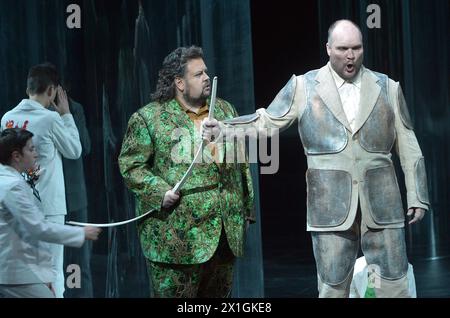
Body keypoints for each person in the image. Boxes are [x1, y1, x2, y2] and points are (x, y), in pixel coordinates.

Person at [202, 20, 430, 298]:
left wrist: (417, 195)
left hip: (382, 203)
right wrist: (224, 129)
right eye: (343, 48)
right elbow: (267, 121)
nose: (350, 55)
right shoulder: (304, 86)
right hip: (331, 205)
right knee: (334, 286)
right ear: (328, 49)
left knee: (390, 284)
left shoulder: (387, 87)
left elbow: (408, 143)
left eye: (356, 48)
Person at [118, 46, 255, 298]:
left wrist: (246, 209)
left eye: (206, 72)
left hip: (224, 235)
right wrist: (159, 191)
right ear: (179, 83)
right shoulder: (149, 118)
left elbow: (240, 162)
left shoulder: (225, 111)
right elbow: (131, 166)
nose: (206, 78)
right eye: (198, 74)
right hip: (176, 240)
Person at [1, 63, 82, 298]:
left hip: (14, 205)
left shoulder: (7, 118)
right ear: (52, 91)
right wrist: (66, 114)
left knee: (20, 272)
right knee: (53, 270)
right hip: (48, 207)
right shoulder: (50, 119)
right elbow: (74, 150)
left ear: (28, 88)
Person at [0, 128, 101, 298]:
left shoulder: (9, 179)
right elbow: (38, 228)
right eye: (31, 149)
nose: (36, 154)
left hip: (18, 271)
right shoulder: (13, 186)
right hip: (15, 273)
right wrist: (81, 233)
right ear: (16, 156)